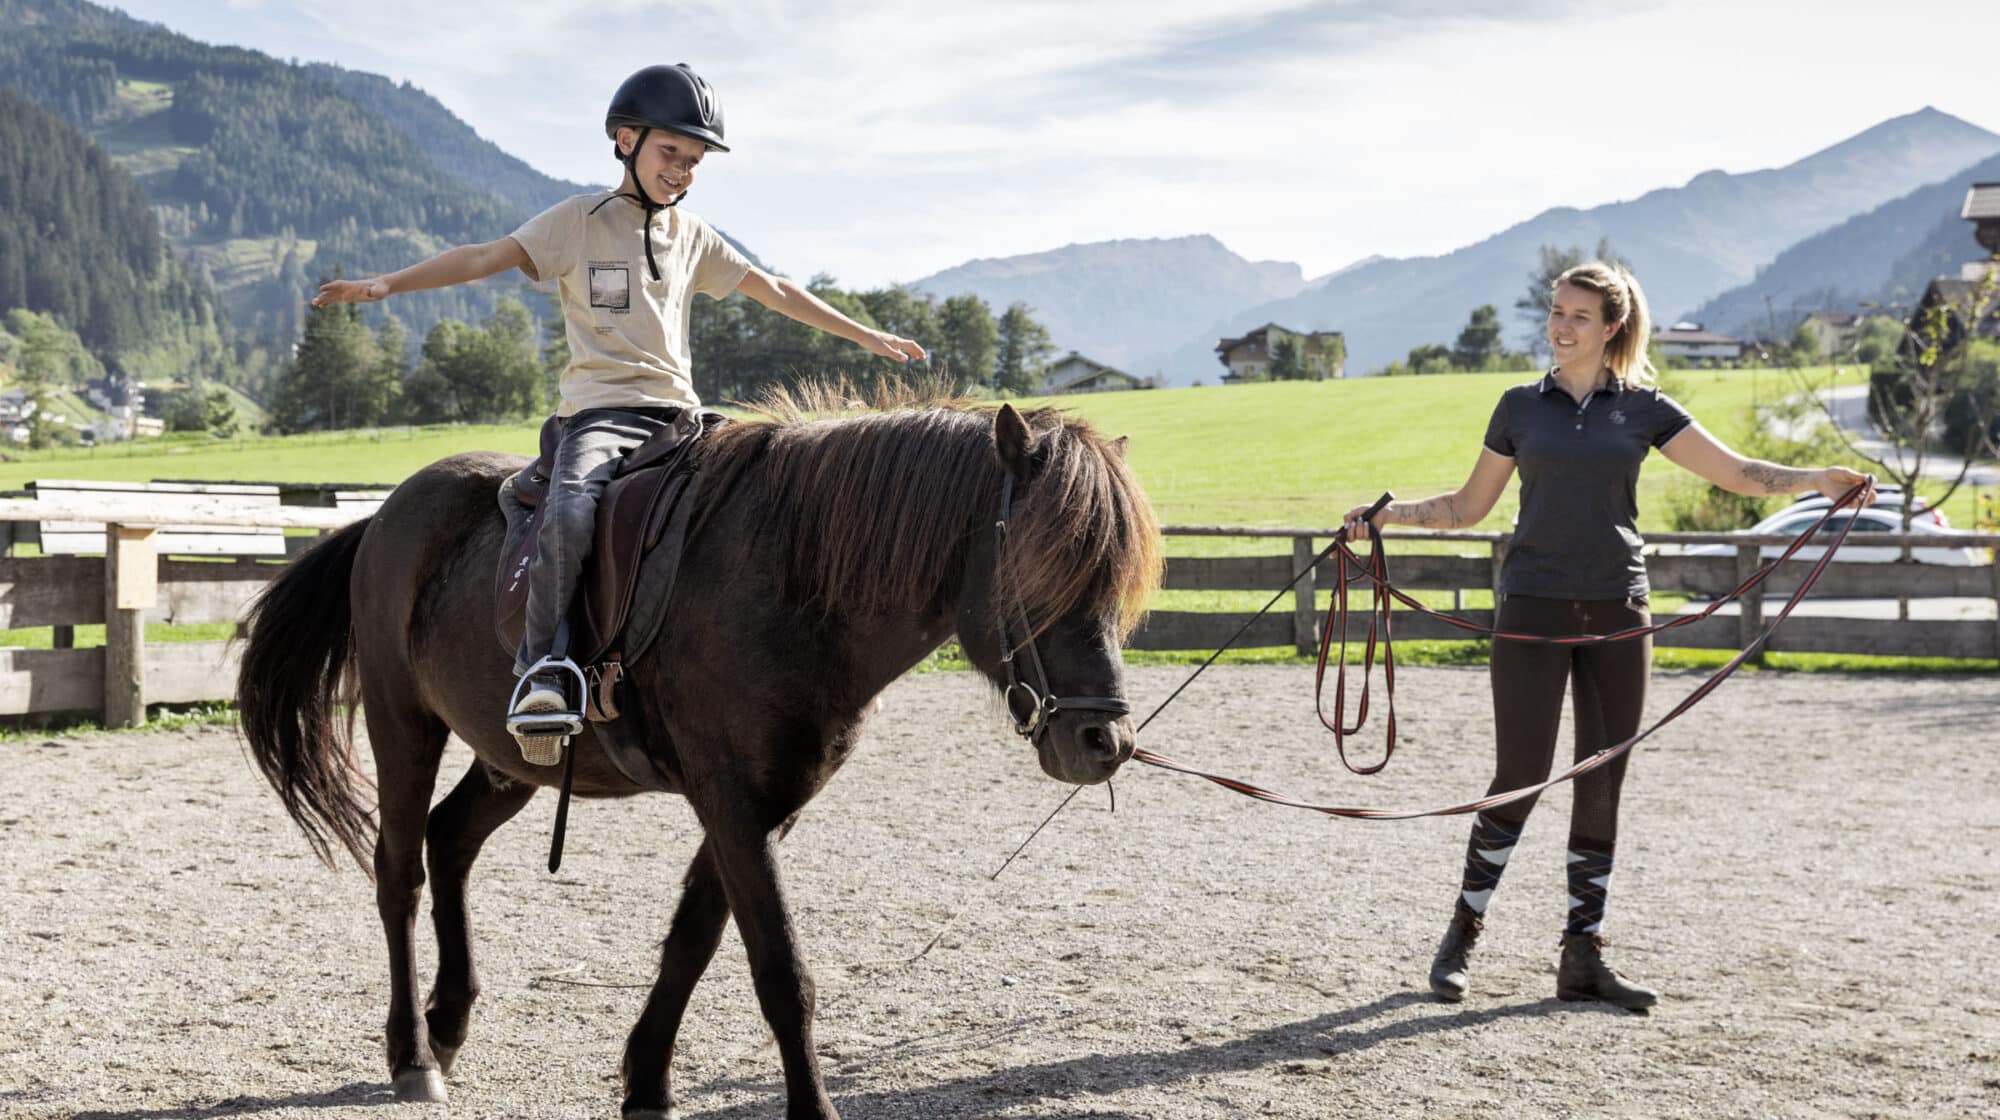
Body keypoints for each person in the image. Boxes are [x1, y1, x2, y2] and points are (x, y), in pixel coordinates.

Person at [312, 63, 925, 763]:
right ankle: (542, 670)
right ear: (625, 140)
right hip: (600, 418)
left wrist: (863, 334)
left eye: (694, 162)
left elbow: (773, 287)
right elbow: (486, 255)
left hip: (683, 420)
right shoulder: (577, 222)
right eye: (671, 154)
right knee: (572, 510)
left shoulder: (693, 235)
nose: (683, 172)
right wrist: (389, 283)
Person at [1343, 262, 1873, 1010]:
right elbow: (1468, 507)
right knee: (1518, 778)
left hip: (1622, 615)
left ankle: (1582, 956)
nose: (1561, 326)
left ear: (1611, 328)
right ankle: (1462, 935)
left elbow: (1738, 474)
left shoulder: (1646, 410)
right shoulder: (1519, 407)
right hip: (1531, 610)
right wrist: (1388, 518)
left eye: (1579, 316)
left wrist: (1815, 478)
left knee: (1602, 781)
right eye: (1556, 312)